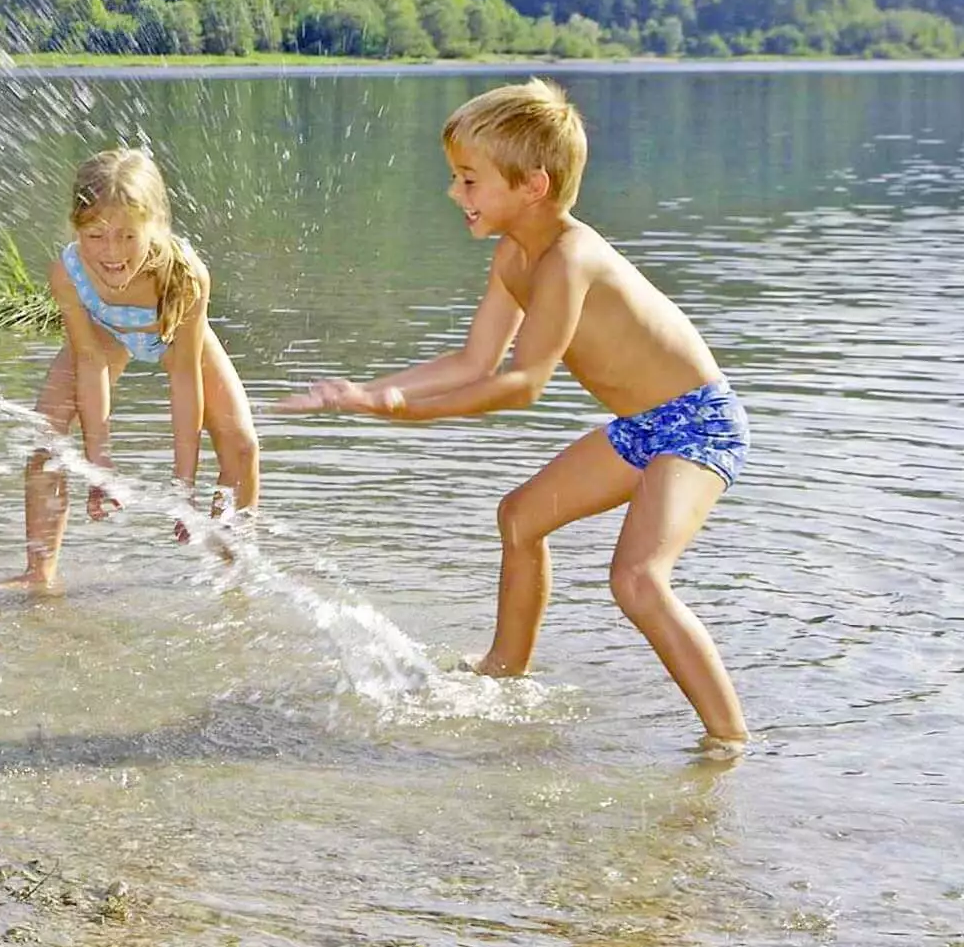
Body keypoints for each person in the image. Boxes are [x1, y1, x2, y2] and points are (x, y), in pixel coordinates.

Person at [275, 80, 749, 748]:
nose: (454, 194)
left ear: (532, 185)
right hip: (643, 428)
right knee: (520, 518)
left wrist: (404, 410)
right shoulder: (514, 256)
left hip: (698, 424)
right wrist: (366, 390)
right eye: (455, 178)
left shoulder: (569, 260)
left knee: (637, 579)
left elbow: (523, 382)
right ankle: (507, 667)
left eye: (469, 181)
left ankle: (729, 742)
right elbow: (473, 362)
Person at [0, 148, 260, 592]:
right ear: (76, 227)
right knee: (46, 439)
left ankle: (232, 570)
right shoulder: (69, 271)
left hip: (172, 336)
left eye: (127, 236)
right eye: (95, 235)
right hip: (101, 336)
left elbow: (183, 379)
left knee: (243, 445)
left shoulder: (184, 277)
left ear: (153, 225)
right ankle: (38, 573)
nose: (112, 252)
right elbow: (90, 361)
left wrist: (183, 489)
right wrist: (100, 467)